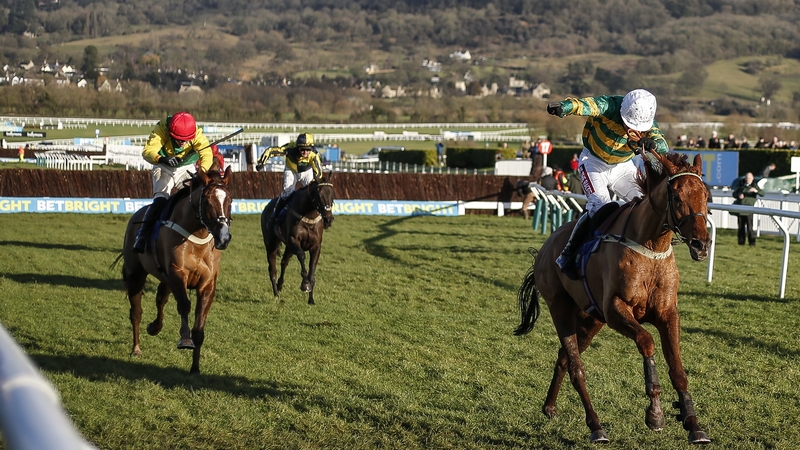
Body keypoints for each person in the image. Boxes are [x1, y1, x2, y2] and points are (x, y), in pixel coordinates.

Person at [546, 88, 668, 278]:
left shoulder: (649, 124)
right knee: (599, 205)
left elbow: (662, 144)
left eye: (638, 128)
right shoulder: (610, 105)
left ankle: (642, 253)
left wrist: (653, 144)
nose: (633, 130)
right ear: (622, 111)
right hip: (593, 162)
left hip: (623, 167)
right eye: (629, 124)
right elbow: (586, 105)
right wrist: (565, 106)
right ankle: (567, 254)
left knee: (646, 204)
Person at [133, 111, 214, 253]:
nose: (182, 143)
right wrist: (162, 159)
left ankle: (206, 234)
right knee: (160, 200)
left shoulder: (197, 133)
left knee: (196, 197)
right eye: (179, 139)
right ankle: (142, 236)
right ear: (170, 133)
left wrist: (201, 171)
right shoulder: (162, 128)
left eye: (186, 140)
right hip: (163, 167)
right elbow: (147, 151)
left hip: (186, 168)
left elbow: (206, 154)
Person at [256, 132, 323, 231]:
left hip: (306, 172)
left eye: (308, 150)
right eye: (302, 149)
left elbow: (318, 173)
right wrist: (262, 162)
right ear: (297, 147)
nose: (305, 152)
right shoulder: (290, 148)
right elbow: (271, 151)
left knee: (312, 192)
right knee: (288, 192)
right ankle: (274, 217)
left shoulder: (314, 154)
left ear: (311, 148)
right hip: (291, 170)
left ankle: (322, 218)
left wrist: (316, 183)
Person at [732, 172, 764, 246]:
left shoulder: (754, 186)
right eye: (747, 178)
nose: (748, 180)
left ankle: (752, 243)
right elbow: (734, 194)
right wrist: (738, 195)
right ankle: (741, 242)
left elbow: (762, 194)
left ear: (752, 179)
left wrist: (756, 191)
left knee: (750, 227)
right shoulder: (740, 185)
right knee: (740, 227)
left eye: (749, 178)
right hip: (740, 208)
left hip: (749, 209)